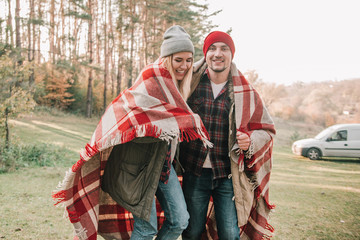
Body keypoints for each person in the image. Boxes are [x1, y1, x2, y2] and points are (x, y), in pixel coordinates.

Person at [52, 25, 211, 240]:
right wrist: (190, 120)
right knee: (146, 229)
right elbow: (130, 112)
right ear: (167, 58)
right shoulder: (152, 76)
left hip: (163, 166)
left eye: (189, 60)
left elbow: (204, 67)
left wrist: (219, 56)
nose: (184, 66)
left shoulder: (179, 84)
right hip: (136, 165)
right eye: (178, 60)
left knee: (180, 221)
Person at [180, 31, 276, 239]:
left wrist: (250, 140)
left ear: (232, 55)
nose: (218, 53)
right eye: (212, 48)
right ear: (205, 54)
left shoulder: (244, 92)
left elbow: (267, 130)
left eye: (224, 48)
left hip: (227, 176)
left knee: (230, 233)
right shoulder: (190, 84)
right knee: (192, 231)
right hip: (194, 172)